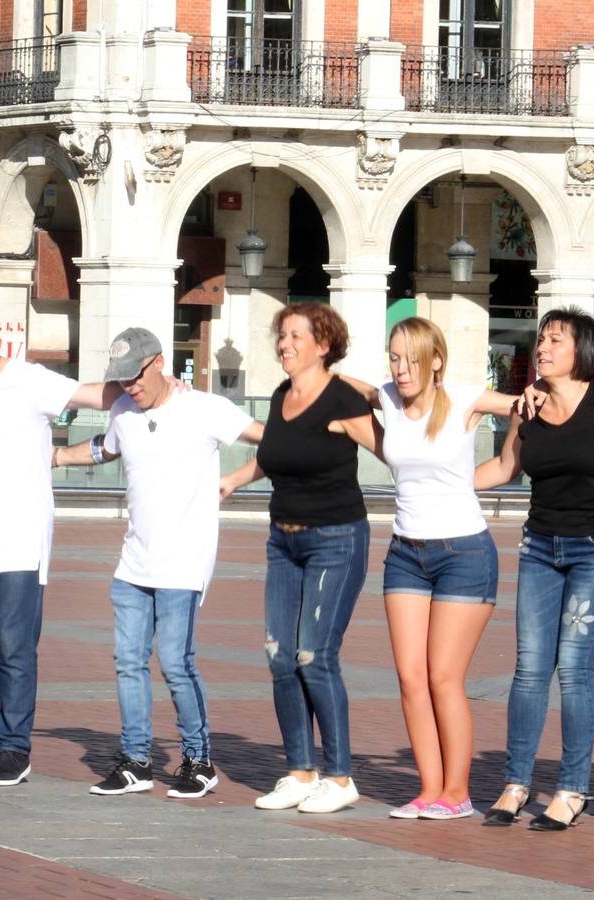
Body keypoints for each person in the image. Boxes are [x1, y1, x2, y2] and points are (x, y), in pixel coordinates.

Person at [54, 327, 261, 800]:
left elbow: (272, 443)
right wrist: (55, 456)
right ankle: (136, 761)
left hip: (183, 564)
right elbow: (105, 449)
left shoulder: (204, 408)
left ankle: (198, 760)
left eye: (136, 376)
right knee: (128, 663)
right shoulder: (124, 412)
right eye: (121, 378)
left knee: (175, 662)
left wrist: (233, 480)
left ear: (159, 363)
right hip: (133, 564)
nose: (130, 386)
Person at [0, 310, 119, 788]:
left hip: (19, 540)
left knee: (13, 651)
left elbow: (98, 395)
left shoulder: (31, 381)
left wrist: (158, 389)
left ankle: (14, 748)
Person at [474, 309, 594, 830]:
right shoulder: (530, 407)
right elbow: (504, 468)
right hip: (541, 547)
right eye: (540, 340)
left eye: (554, 340)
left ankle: (572, 788)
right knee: (528, 669)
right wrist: (435, 480)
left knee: (572, 667)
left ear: (583, 350)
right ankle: (516, 783)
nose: (542, 348)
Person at [348, 317, 517, 821]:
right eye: (394, 358)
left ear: (436, 360)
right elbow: (342, 387)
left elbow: (533, 404)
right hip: (405, 553)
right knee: (409, 676)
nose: (401, 369)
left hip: (463, 553)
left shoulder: (464, 399)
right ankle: (428, 789)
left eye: (412, 359)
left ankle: (457, 794)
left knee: (444, 676)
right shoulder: (388, 399)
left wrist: (513, 454)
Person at [220, 302, 375, 814]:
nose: (284, 344)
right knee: (279, 655)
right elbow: (271, 456)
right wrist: (231, 481)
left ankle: (340, 775)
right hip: (283, 543)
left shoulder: (343, 399)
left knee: (315, 654)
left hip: (336, 538)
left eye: (294, 336)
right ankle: (299, 772)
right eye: (281, 336)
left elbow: (395, 448)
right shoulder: (284, 395)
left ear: (323, 344)